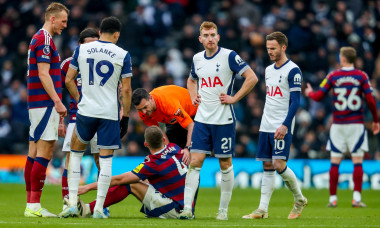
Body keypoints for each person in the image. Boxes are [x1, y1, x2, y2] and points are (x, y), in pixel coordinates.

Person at [178, 21, 258, 220]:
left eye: (213, 34)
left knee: (225, 163)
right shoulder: (197, 58)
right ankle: (187, 209)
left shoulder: (229, 56)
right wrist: (193, 95)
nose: (210, 38)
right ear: (200, 39)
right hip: (203, 119)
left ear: (218, 37)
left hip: (224, 119)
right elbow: (191, 79)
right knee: (195, 163)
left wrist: (234, 98)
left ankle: (223, 211)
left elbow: (252, 77)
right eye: (206, 35)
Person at [58, 16, 132, 219]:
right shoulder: (123, 54)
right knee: (106, 160)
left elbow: (68, 79)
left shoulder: (81, 49)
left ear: (99, 32)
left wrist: (80, 98)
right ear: (116, 34)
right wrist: (125, 117)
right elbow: (126, 90)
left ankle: (72, 203)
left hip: (86, 111)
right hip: (108, 114)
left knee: (75, 154)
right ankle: (99, 208)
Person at [242, 31, 307, 220]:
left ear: (283, 47)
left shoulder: (293, 70)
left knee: (279, 164)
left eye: (273, 48)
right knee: (268, 165)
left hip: (281, 124)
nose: (269, 51)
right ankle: (262, 210)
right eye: (268, 48)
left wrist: (285, 125)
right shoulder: (268, 70)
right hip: (266, 124)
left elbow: (295, 102)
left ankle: (299, 199)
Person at [305, 46, 380, 208]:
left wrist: (310, 92)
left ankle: (333, 199)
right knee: (357, 162)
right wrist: (375, 120)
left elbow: (318, 96)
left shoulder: (333, 76)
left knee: (335, 163)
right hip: (356, 124)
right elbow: (371, 100)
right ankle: (357, 198)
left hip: (338, 125)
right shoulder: (361, 76)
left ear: (343, 58)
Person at [76, 126, 195, 219]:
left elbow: (119, 180)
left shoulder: (154, 163)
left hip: (176, 210)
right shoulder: (175, 148)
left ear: (146, 144)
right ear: (164, 140)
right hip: (188, 208)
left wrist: (87, 187)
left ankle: (87, 209)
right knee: (141, 180)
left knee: (130, 183)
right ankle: (91, 208)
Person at [24, 2, 69, 218]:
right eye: (63, 21)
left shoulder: (38, 38)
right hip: (44, 103)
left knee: (33, 153)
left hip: (38, 103)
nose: (65, 25)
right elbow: (44, 74)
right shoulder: (44, 40)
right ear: (52, 19)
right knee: (45, 152)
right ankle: (33, 206)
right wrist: (58, 102)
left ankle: (30, 205)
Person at [60, 28, 100, 203]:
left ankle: (102, 203)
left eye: (95, 44)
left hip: (100, 116)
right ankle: (68, 200)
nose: (92, 48)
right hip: (76, 117)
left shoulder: (104, 61)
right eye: (88, 45)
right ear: (79, 45)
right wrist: (61, 120)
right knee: (70, 157)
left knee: (101, 159)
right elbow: (58, 94)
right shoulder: (68, 64)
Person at [131, 85, 197, 151]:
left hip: (194, 115)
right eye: (140, 109)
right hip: (173, 121)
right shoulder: (143, 112)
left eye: (145, 107)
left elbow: (190, 125)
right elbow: (159, 132)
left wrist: (187, 148)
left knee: (193, 153)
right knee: (172, 152)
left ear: (151, 98)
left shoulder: (167, 102)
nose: (144, 112)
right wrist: (169, 152)